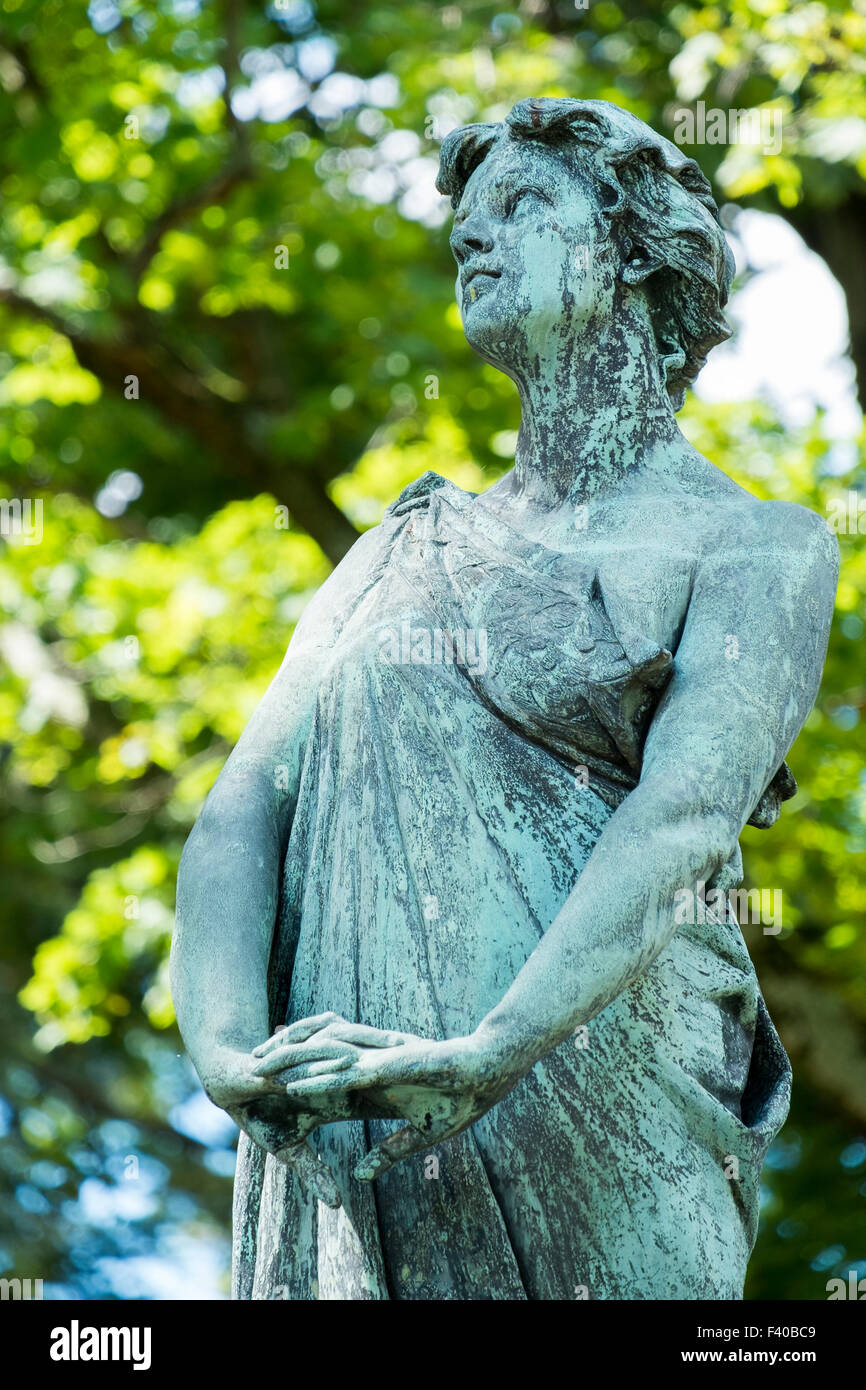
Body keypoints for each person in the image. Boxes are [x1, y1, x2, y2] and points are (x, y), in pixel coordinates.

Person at [171, 98, 838, 1299]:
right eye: (460, 228)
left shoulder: (754, 547)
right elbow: (238, 818)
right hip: (344, 1118)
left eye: (522, 206)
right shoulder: (390, 553)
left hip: (600, 1105)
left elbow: (682, 819)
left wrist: (488, 1051)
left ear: (633, 247)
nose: (473, 242)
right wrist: (226, 1056)